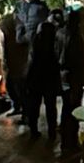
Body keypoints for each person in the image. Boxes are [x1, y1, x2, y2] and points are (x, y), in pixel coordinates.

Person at [24, 8, 62, 143]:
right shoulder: (53, 46)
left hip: (36, 78)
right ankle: (52, 131)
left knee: (34, 105)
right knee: (50, 106)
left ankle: (33, 130)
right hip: (49, 78)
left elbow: (31, 62)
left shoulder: (36, 43)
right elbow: (56, 63)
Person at [58, 5, 84, 157]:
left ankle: (65, 142)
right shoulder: (75, 37)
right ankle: (71, 143)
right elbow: (77, 60)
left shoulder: (61, 33)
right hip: (74, 78)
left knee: (66, 109)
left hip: (64, 77)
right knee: (73, 110)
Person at [0, 7, 29, 117]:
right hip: (10, 63)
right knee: (11, 86)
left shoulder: (18, 28)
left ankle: (24, 112)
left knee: (20, 88)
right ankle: (17, 107)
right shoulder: (5, 30)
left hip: (18, 64)